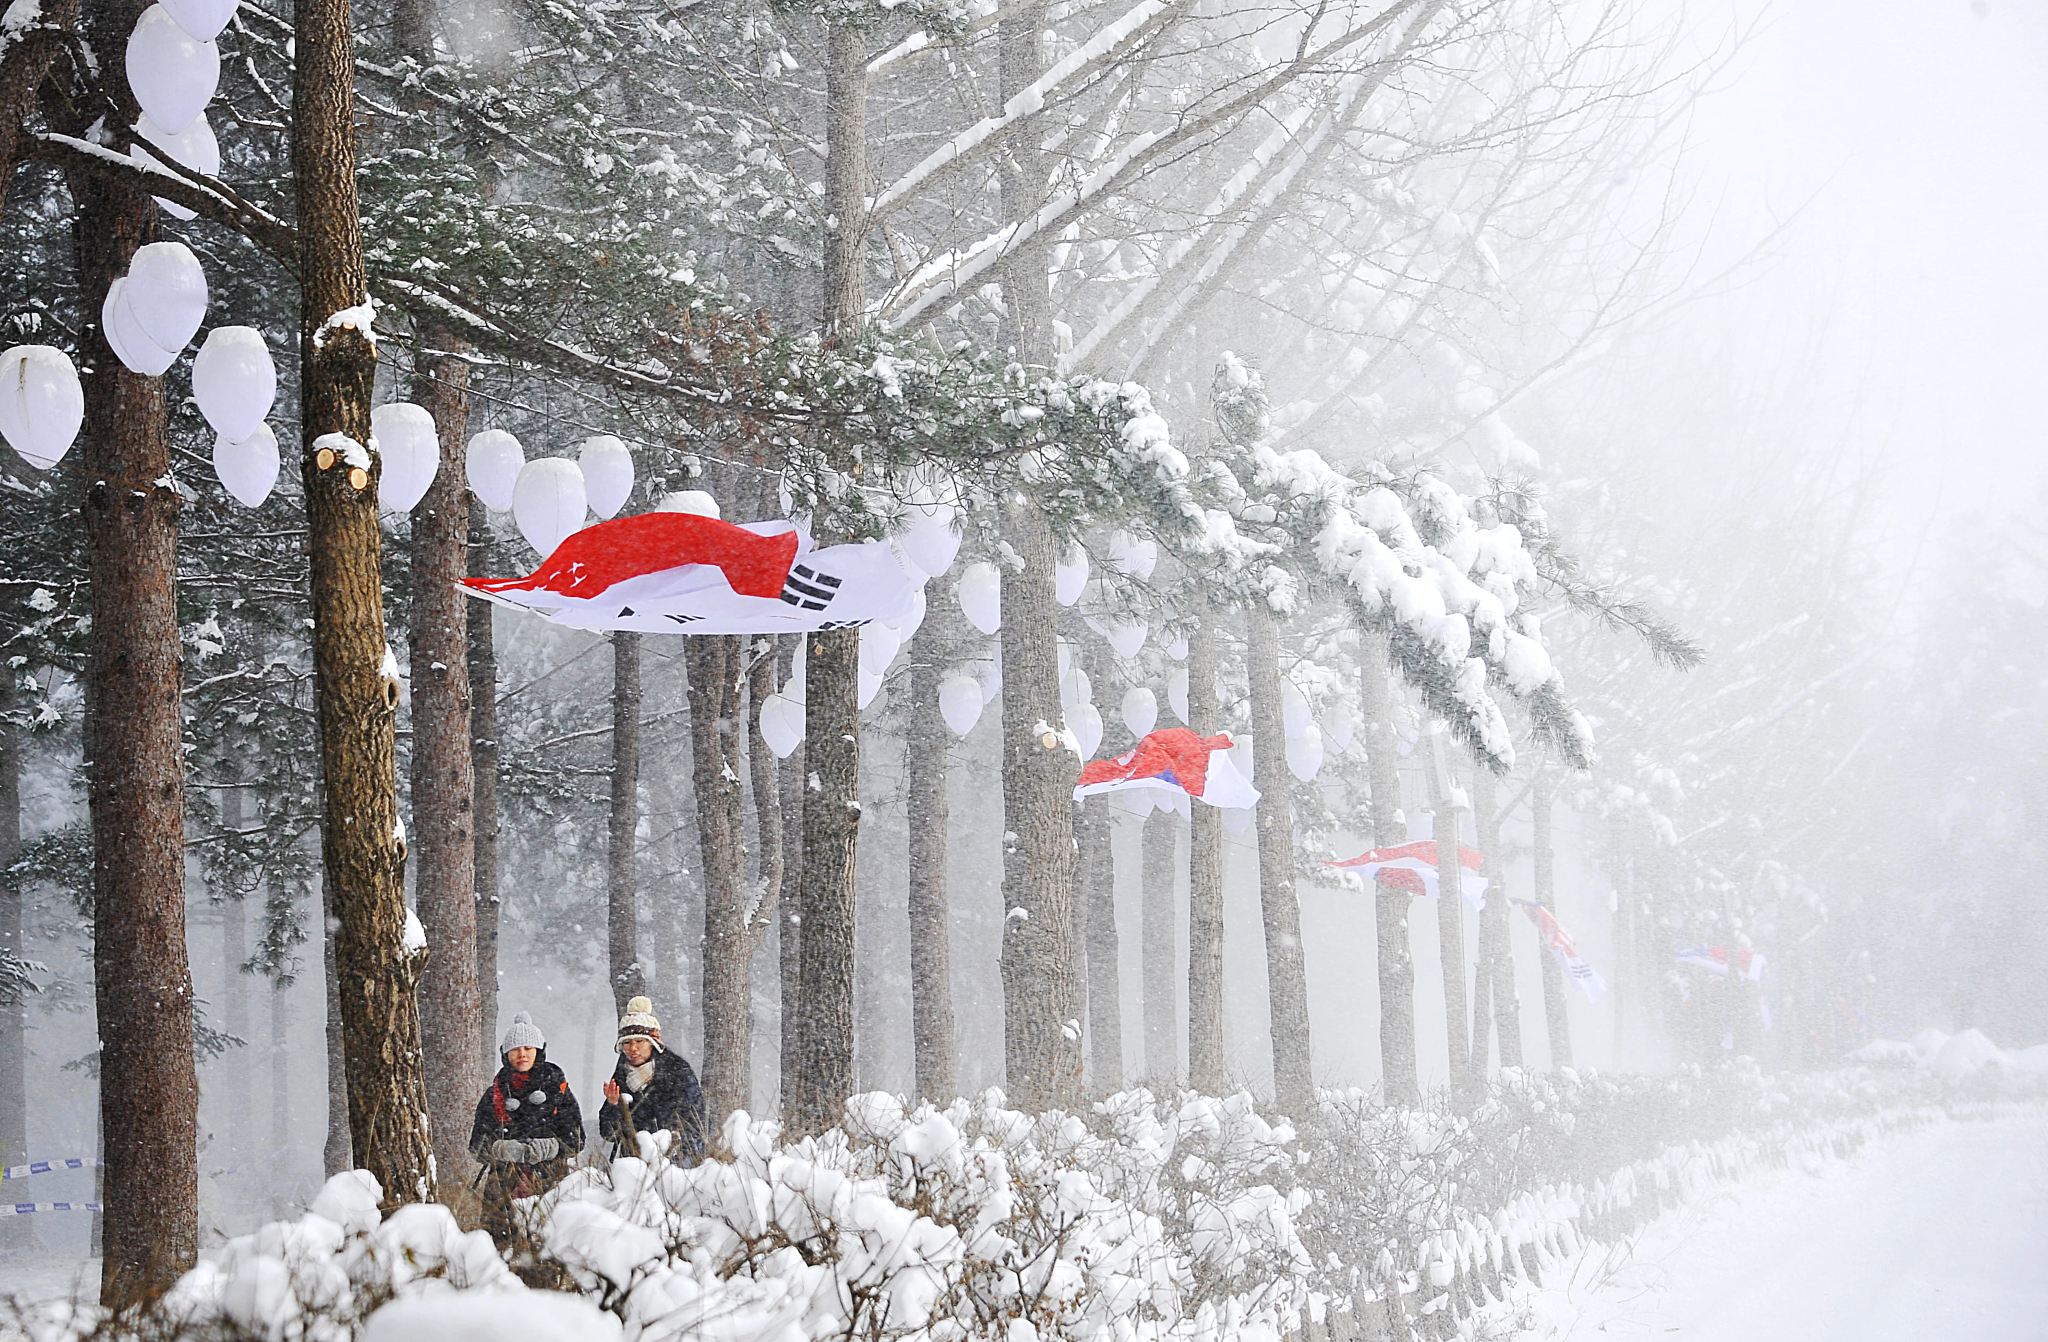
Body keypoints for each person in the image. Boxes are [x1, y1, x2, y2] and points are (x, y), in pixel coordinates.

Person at [470, 1011, 585, 1240]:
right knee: (499, 1244)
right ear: (506, 1054)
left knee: (549, 1242)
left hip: (551, 1182)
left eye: (528, 1048)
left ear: (539, 1051)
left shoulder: (558, 1088)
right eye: (515, 1049)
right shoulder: (494, 1094)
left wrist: (551, 1147)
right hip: (502, 1187)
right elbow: (476, 1145)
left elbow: (577, 1139)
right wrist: (500, 1149)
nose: (522, 1054)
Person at [597, 996, 707, 1162]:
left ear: (652, 1043)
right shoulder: (621, 1076)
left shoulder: (678, 1071)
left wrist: (677, 1155)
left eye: (639, 1041)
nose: (633, 1048)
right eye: (627, 1042)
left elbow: (696, 1122)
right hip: (632, 1165)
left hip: (673, 1163)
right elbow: (609, 1134)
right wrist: (613, 1105)